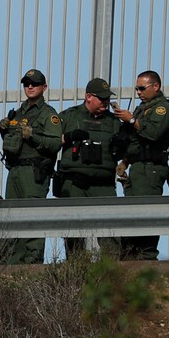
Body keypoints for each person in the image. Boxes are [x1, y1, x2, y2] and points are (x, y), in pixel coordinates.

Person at [0, 69, 61, 264]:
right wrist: (4, 131)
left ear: (44, 87)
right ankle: (13, 262)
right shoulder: (17, 113)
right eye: (27, 84)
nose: (30, 87)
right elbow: (13, 142)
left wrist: (32, 135)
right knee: (11, 216)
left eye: (34, 84)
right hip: (15, 169)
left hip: (34, 172)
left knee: (32, 215)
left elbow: (55, 143)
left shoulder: (48, 114)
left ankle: (32, 261)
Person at [55, 78, 124, 257]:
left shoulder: (114, 121)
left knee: (110, 234)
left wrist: (122, 144)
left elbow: (125, 151)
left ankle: (111, 270)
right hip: (75, 184)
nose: (105, 102)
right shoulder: (69, 116)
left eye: (107, 98)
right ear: (88, 97)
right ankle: (76, 269)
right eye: (101, 98)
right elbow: (50, 142)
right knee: (74, 235)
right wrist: (68, 137)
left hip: (103, 185)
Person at [112, 70, 169, 260]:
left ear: (155, 86)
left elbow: (153, 133)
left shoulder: (163, 109)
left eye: (142, 88)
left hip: (151, 168)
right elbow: (136, 141)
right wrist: (125, 161)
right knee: (131, 215)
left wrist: (131, 119)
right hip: (138, 166)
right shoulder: (143, 108)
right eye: (137, 89)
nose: (139, 92)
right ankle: (130, 257)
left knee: (145, 214)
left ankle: (146, 258)